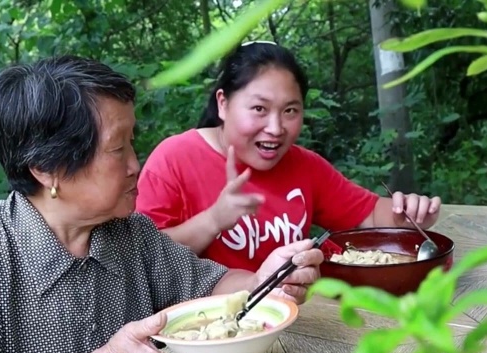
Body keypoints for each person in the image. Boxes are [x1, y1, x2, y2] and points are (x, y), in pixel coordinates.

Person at [0, 55, 324, 353]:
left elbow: (213, 287)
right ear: (47, 167)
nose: (135, 164)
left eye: (133, 142)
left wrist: (267, 278)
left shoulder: (129, 233)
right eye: (116, 148)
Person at [135, 41, 442, 273]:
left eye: (290, 111)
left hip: (301, 321)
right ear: (223, 104)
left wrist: (410, 212)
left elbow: (371, 215)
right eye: (259, 109)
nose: (275, 128)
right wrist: (215, 219)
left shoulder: (304, 165)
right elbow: (141, 259)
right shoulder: (174, 159)